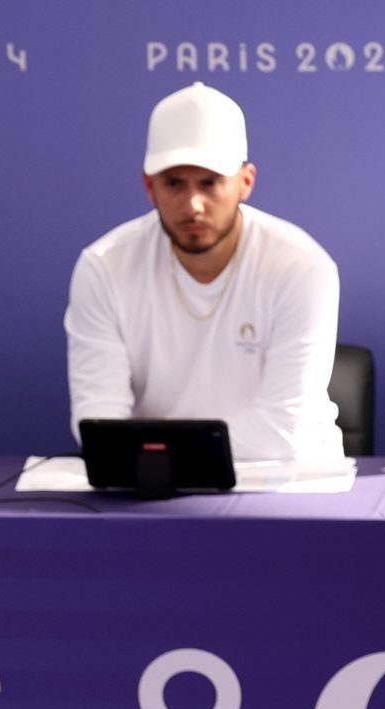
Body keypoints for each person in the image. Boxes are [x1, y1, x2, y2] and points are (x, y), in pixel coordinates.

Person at [64, 83, 344, 467]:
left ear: (246, 182)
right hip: (152, 487)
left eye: (210, 183)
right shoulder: (104, 266)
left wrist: (155, 452)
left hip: (287, 483)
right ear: (150, 186)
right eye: (174, 184)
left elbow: (283, 430)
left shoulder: (301, 267)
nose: (192, 205)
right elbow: (97, 421)